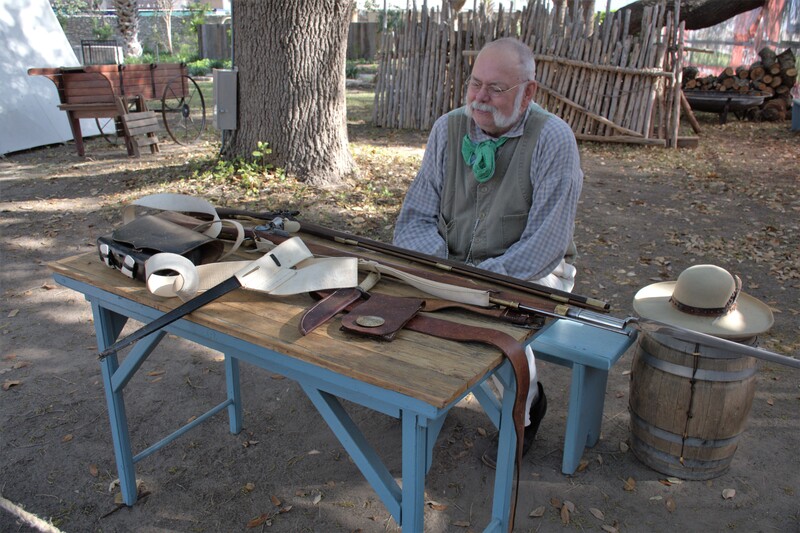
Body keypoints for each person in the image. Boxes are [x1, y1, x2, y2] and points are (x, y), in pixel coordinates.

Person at [392, 37, 584, 468]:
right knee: (397, 307)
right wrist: (441, 271)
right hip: (452, 262)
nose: (479, 97)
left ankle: (527, 405)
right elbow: (415, 219)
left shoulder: (553, 139)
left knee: (496, 331)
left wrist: (477, 285)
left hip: (533, 273)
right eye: (475, 83)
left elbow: (546, 245)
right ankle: (419, 396)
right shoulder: (448, 128)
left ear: (528, 92)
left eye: (496, 89)